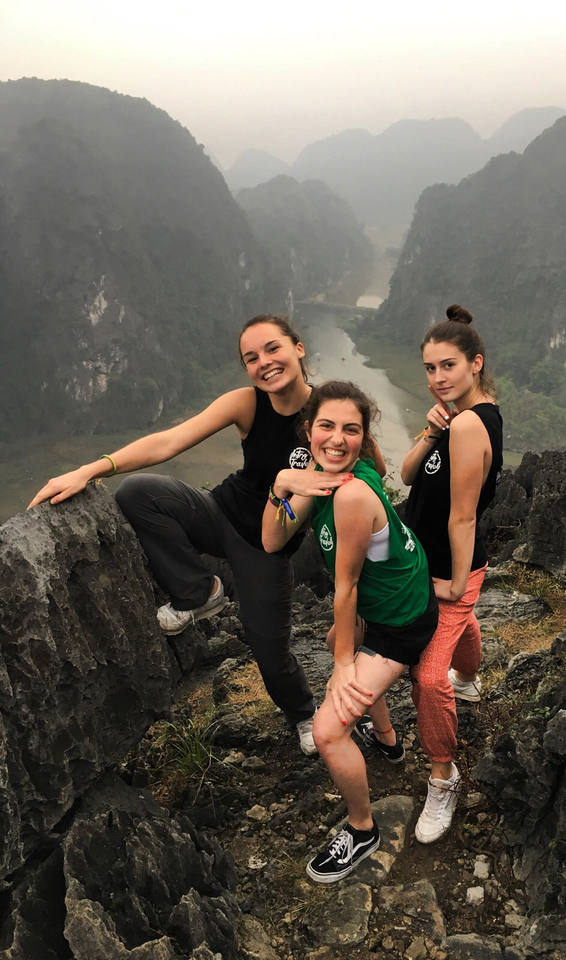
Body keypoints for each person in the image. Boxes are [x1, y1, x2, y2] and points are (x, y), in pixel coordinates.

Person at [28, 313, 358, 757]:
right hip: (218, 512)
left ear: (298, 349)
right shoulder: (247, 403)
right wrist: (91, 469)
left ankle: (302, 714)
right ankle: (199, 592)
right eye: (251, 358)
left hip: (268, 544)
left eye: (273, 348)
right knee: (140, 493)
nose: (264, 362)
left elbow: (363, 466)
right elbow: (170, 441)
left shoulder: (326, 413)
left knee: (270, 651)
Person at [262, 380, 438, 882]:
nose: (337, 439)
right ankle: (387, 740)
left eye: (351, 430)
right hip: (393, 601)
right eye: (326, 426)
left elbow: (347, 587)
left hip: (401, 620)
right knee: (333, 643)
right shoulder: (322, 477)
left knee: (327, 730)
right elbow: (271, 538)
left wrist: (343, 668)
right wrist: (282, 486)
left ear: (364, 435)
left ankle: (363, 829)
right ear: (308, 430)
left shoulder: (352, 495)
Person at [401, 303, 503, 843]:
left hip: (449, 566)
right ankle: (470, 679)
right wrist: (428, 430)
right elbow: (407, 475)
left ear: (475, 363)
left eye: (449, 366)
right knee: (459, 628)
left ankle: (443, 775)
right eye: (430, 368)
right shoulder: (453, 419)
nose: (438, 377)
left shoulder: (469, 424)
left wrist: (458, 583)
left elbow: (463, 516)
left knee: (426, 676)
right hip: (421, 557)